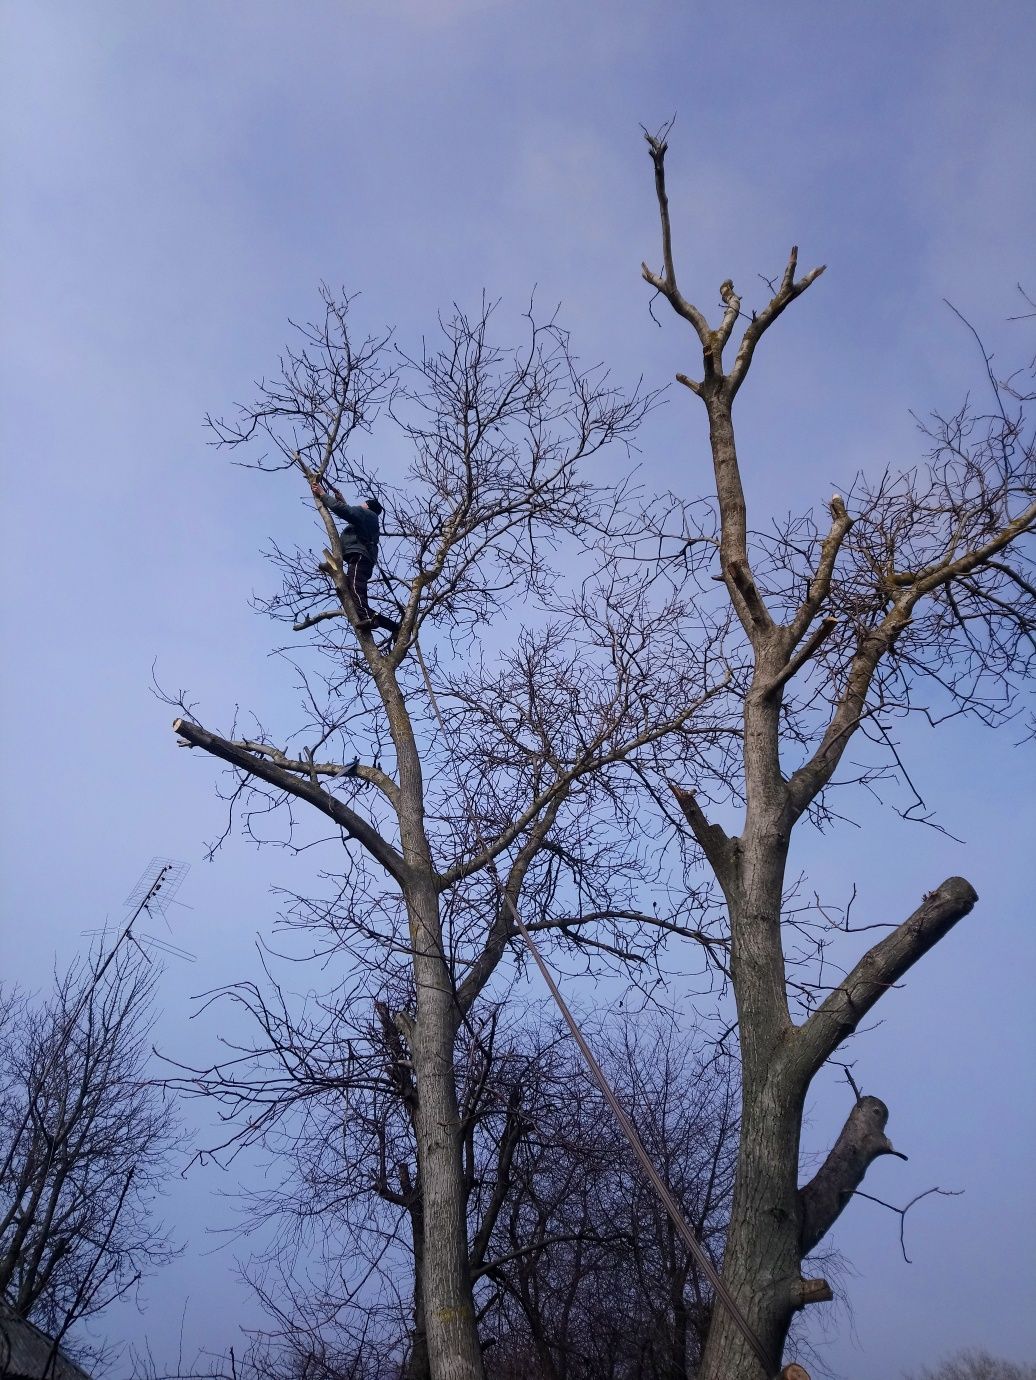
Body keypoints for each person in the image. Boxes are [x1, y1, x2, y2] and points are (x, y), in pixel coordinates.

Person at [309, 479, 400, 635]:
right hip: (362, 558)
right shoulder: (368, 518)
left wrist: (323, 494)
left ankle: (367, 618)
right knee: (355, 595)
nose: (360, 505)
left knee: (356, 590)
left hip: (360, 557)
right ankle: (390, 625)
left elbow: (347, 512)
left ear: (367, 506)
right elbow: (352, 514)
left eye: (362, 503)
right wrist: (342, 501)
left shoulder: (367, 514)